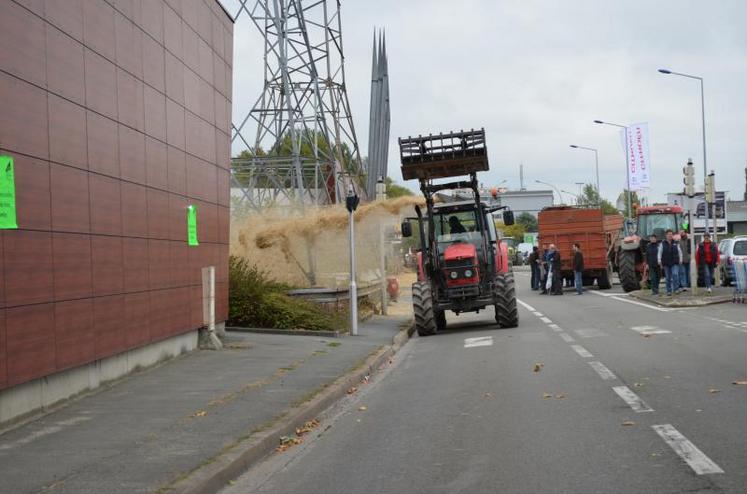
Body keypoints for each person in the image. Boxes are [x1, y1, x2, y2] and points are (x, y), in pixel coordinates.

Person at [658, 229, 683, 296]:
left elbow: (679, 252)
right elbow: (659, 253)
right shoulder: (662, 244)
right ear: (666, 235)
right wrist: (659, 261)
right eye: (669, 235)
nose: (670, 236)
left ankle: (676, 289)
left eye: (671, 235)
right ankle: (668, 291)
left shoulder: (676, 243)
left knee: (675, 275)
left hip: (674, 262)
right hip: (666, 263)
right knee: (668, 277)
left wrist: (681, 259)